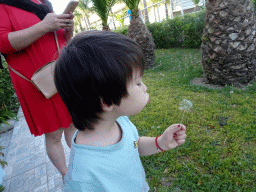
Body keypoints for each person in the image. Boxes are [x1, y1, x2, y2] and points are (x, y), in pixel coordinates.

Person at [54, 30, 187, 191]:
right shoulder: (83, 176)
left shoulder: (120, 121)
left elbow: (133, 145)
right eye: (138, 83)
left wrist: (159, 143)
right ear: (107, 101)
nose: (145, 87)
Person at [0, 0, 76, 179]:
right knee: (54, 134)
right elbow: (3, 43)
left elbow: (60, 38)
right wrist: (44, 25)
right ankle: (67, 176)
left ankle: (84, 164)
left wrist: (68, 29)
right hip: (35, 82)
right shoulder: (3, 5)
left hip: (61, 72)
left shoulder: (43, 2)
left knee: (73, 123)